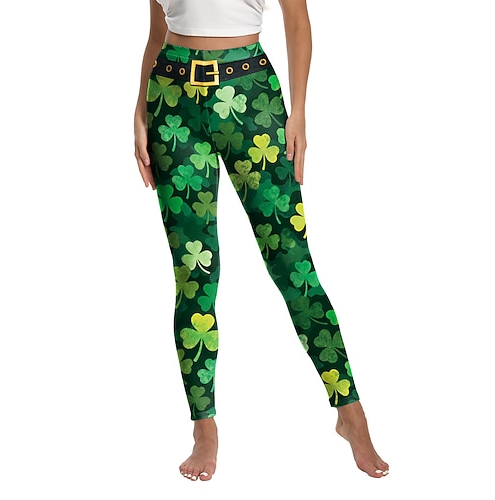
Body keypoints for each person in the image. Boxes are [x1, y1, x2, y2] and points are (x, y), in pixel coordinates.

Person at [134, 0, 389, 481]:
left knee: (293, 264)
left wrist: (299, 113)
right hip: (170, 101)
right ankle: (204, 427)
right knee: (194, 273)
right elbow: (156, 33)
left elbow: (297, 21)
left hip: (251, 97)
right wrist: (139, 113)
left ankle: (350, 412)